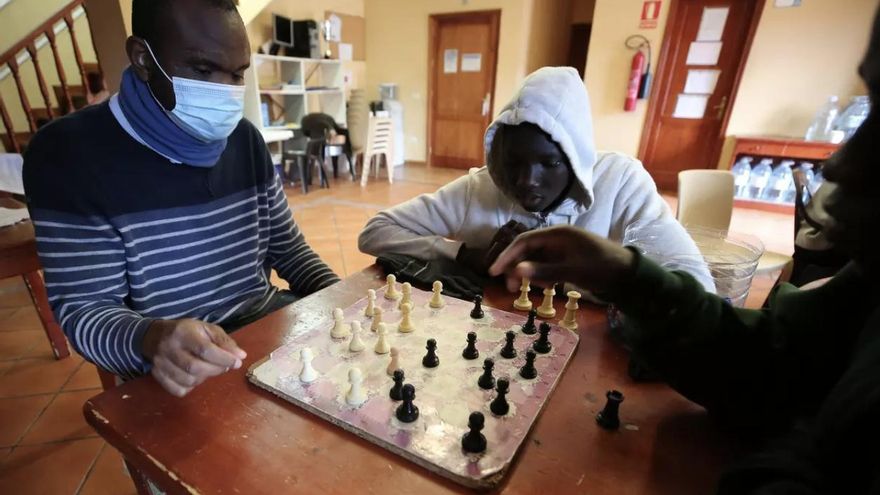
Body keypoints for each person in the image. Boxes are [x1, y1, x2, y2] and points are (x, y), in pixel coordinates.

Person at [488, 12, 880, 493]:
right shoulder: (865, 294)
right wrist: (629, 278)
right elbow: (769, 362)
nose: (839, 160)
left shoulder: (622, 178)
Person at [23, 0, 339, 397]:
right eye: (203, 70)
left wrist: (344, 300)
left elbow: (289, 251)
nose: (224, 92)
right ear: (143, 58)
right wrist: (153, 338)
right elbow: (85, 311)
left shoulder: (245, 140)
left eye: (237, 74)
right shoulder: (69, 157)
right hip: (173, 368)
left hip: (266, 328)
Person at [358, 67, 713, 290]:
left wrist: (599, 272)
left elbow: (696, 283)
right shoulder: (479, 189)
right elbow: (375, 232)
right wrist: (465, 254)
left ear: (575, 158)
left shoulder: (621, 183)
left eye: (551, 163)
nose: (527, 180)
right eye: (512, 163)